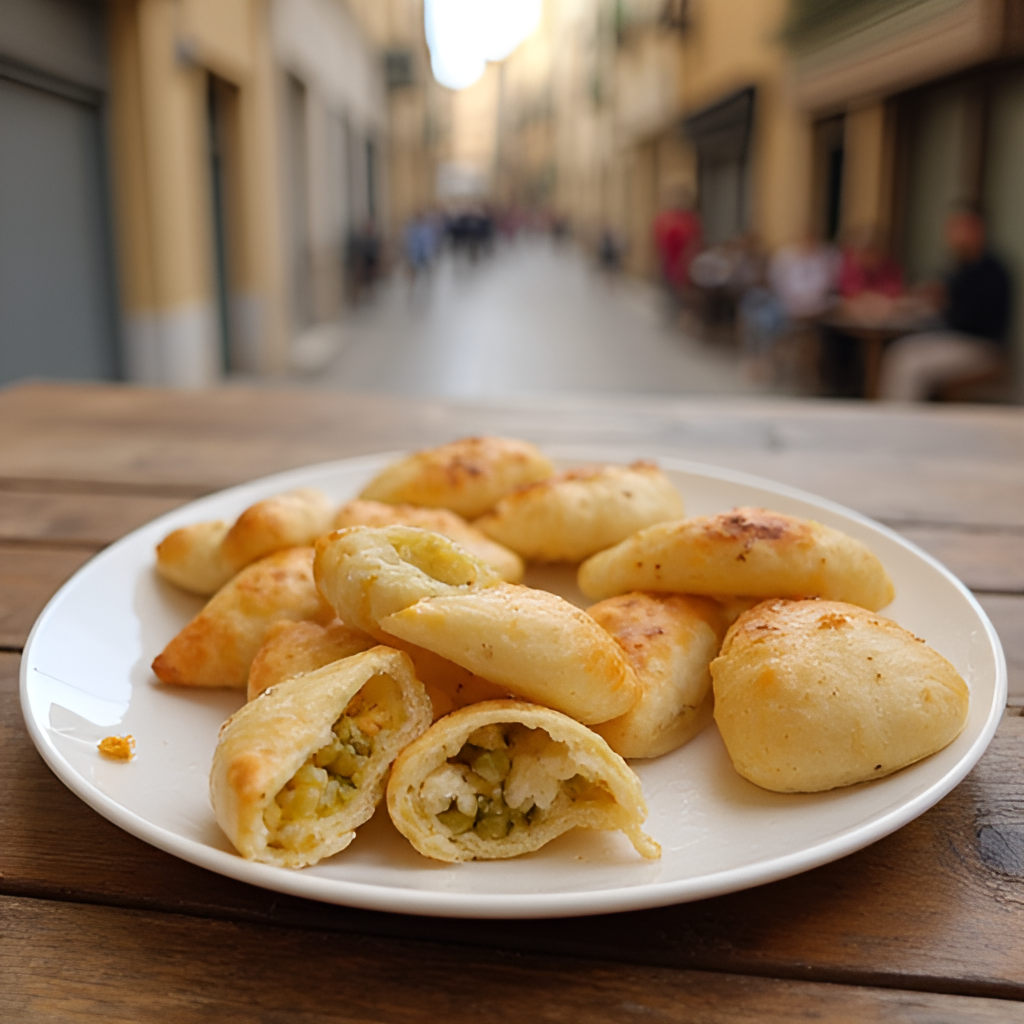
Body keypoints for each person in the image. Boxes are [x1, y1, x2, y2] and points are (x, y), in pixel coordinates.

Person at [880, 204, 1011, 401]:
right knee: (899, 352)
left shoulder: (992, 272)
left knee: (908, 362)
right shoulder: (960, 267)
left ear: (976, 229)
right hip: (956, 339)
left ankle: (900, 426)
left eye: (957, 227)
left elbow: (969, 318)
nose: (950, 234)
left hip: (982, 346)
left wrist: (940, 302)